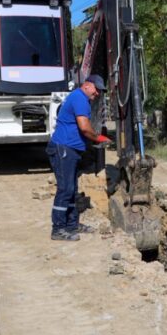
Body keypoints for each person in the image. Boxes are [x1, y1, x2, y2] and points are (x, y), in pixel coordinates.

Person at [46, 74, 112, 241]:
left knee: (72, 189)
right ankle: (58, 228)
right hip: (64, 149)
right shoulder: (79, 98)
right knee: (65, 189)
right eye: (96, 90)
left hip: (71, 149)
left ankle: (72, 224)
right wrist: (98, 138)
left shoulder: (81, 99)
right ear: (87, 85)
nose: (97, 94)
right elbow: (84, 127)